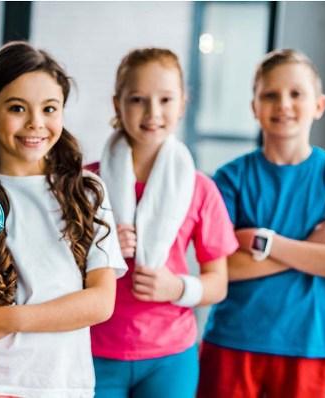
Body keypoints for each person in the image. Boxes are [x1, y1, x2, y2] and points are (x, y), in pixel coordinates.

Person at [0, 41, 127, 398]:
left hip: (61, 384)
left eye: (49, 108)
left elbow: (101, 303)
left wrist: (9, 321)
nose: (36, 123)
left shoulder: (87, 191)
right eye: (17, 108)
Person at [198, 49, 325, 398]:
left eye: (296, 94)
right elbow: (223, 268)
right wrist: (312, 249)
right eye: (270, 95)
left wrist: (265, 243)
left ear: (319, 105)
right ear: (254, 107)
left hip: (308, 343)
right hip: (233, 339)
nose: (283, 104)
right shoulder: (230, 178)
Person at [86, 48, 238, 398]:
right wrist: (101, 248)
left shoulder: (201, 189)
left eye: (166, 99)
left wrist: (178, 288)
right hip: (94, 348)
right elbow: (58, 268)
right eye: (138, 99)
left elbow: (219, 283)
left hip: (171, 356)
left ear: (183, 103)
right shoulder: (86, 183)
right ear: (117, 104)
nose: (153, 113)